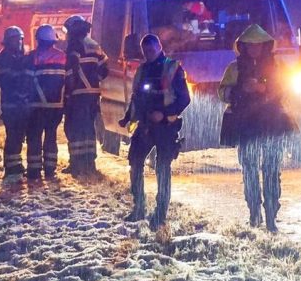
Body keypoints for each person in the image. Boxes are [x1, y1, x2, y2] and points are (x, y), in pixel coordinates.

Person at [218, 24, 296, 232]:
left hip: (272, 123)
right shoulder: (234, 68)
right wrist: (240, 90)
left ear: (265, 46)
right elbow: (222, 93)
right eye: (250, 45)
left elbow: (288, 90)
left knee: (271, 171)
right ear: (243, 47)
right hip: (246, 126)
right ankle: (254, 212)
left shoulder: (278, 67)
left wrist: (264, 89)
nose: (254, 49)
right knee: (250, 171)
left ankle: (271, 215)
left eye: (258, 45)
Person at [119, 34, 190, 229]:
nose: (148, 54)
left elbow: (184, 99)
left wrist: (165, 113)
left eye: (151, 50)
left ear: (159, 47)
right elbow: (136, 97)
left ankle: (160, 213)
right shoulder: (142, 70)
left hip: (166, 126)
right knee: (134, 161)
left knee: (162, 167)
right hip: (145, 125)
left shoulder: (173, 67)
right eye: (145, 51)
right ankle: (139, 207)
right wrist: (127, 117)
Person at [62, 15, 108, 176]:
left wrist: (68, 92)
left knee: (74, 128)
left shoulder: (74, 45)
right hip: (93, 94)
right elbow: (105, 69)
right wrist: (94, 82)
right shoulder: (94, 45)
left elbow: (70, 70)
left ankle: (76, 163)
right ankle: (89, 162)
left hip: (78, 94)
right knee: (89, 128)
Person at [25, 25, 66, 179]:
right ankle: (50, 169)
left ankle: (34, 170)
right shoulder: (63, 56)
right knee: (51, 136)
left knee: (34, 136)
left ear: (39, 40)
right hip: (56, 106)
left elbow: (26, 80)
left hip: (36, 105)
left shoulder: (32, 57)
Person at [0, 26, 31, 178]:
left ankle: (15, 164)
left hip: (19, 103)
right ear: (8, 41)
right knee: (13, 134)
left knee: (18, 135)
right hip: (11, 104)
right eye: (15, 39)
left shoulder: (17, 56)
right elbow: (7, 81)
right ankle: (10, 166)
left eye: (20, 39)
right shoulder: (4, 58)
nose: (18, 42)